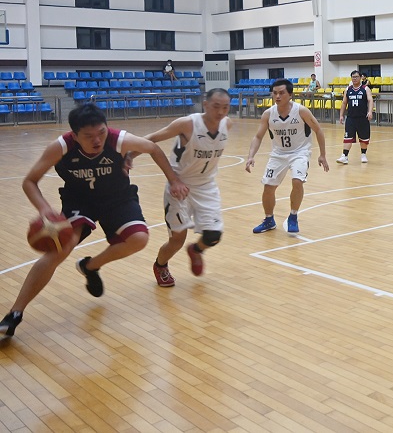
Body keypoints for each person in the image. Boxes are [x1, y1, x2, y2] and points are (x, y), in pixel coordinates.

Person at [1, 103, 189, 338]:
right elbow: (29, 181)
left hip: (117, 198)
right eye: (88, 136)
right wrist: (45, 210)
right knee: (60, 249)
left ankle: (90, 266)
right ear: (74, 135)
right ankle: (14, 314)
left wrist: (173, 180)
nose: (97, 140)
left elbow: (152, 147)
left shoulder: (118, 140)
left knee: (139, 239)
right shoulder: (61, 147)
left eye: (101, 132)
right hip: (80, 201)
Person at [141, 89, 232, 287]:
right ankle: (160, 265)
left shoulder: (227, 124)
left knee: (213, 236)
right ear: (205, 105)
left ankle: (196, 250)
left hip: (206, 186)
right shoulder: (187, 124)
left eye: (225, 107)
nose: (220, 112)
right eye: (216, 106)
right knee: (177, 240)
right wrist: (128, 157)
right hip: (180, 185)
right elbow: (151, 139)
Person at [246, 79, 329, 234]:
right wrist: (251, 156)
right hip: (278, 154)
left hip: (300, 152)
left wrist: (322, 155)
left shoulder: (301, 111)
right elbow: (258, 137)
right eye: (275, 93)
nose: (277, 96)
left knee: (297, 181)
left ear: (290, 94)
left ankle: (293, 216)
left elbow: (318, 130)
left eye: (281, 93)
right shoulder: (268, 114)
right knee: (268, 187)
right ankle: (269, 220)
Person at [338, 70, 375, 163]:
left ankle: (363, 155)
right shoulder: (348, 89)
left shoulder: (365, 89)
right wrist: (341, 115)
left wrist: (370, 111)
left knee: (364, 138)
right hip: (351, 118)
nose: (354, 79)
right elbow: (344, 103)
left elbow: (370, 100)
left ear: (360, 78)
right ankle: (344, 156)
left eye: (356, 77)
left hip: (362, 118)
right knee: (348, 137)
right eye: (353, 77)